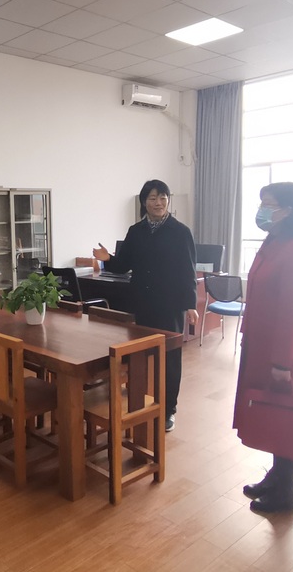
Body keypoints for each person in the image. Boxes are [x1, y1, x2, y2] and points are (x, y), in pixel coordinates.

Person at [234, 182, 293, 514]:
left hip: (287, 354)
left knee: (289, 415)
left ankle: (286, 490)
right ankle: (276, 477)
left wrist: (282, 363)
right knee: (274, 411)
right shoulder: (275, 242)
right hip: (266, 347)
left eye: (268, 204)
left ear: (288, 210)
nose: (262, 211)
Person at [93, 179, 198, 432]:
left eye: (162, 197)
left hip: (170, 305)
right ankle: (139, 403)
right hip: (142, 302)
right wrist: (108, 259)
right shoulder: (136, 231)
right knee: (139, 355)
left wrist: (190, 304)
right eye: (152, 198)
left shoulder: (180, 232)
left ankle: (168, 409)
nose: (158, 203)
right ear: (144, 202)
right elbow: (123, 265)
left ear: (168, 201)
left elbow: (188, 271)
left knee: (170, 359)